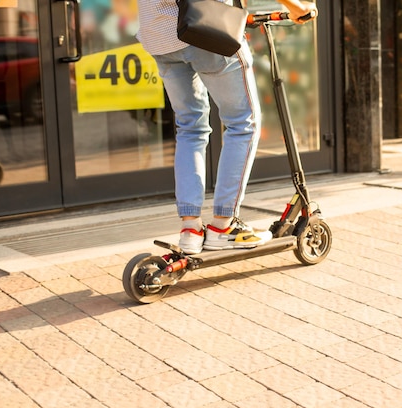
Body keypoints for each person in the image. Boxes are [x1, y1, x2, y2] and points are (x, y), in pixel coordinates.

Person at [136, 0, 318, 254]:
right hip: (206, 29)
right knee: (243, 124)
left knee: (190, 127)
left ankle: (191, 228)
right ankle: (223, 226)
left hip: (159, 35)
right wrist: (298, 7)